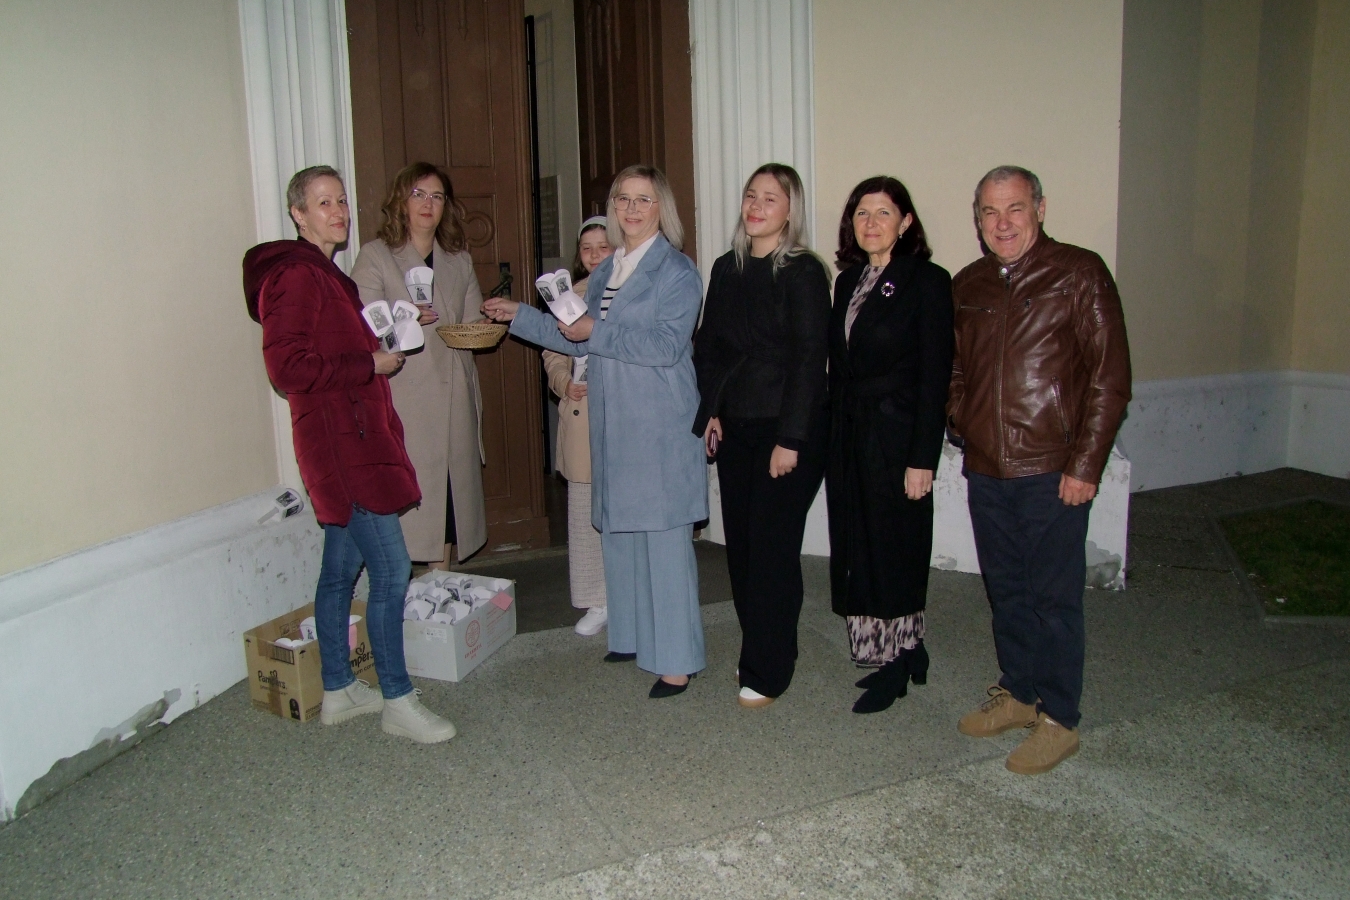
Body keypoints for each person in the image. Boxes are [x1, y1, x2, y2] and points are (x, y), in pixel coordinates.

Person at [243, 165, 456, 743]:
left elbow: (327, 351)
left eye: (340, 201)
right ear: (298, 214)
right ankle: (399, 701)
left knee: (340, 571)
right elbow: (287, 368)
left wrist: (382, 342)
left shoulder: (325, 275)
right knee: (390, 569)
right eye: (322, 203)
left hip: (352, 439)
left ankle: (337, 688)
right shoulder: (295, 275)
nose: (337, 211)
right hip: (342, 446)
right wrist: (370, 362)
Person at [483, 165, 707, 699]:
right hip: (614, 419)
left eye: (644, 199)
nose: (631, 209)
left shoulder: (677, 271)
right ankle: (629, 635)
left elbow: (665, 346)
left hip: (658, 422)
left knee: (663, 542)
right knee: (621, 535)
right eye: (623, 199)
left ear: (661, 208)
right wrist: (519, 315)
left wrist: (595, 330)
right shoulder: (609, 269)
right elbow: (577, 337)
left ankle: (677, 660)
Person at [949, 165, 1131, 774]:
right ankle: (1020, 693)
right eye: (989, 211)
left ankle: (1060, 718)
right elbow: (954, 370)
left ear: (1040, 209)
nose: (1002, 223)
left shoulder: (1080, 273)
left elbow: (1110, 379)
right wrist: (964, 419)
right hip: (986, 469)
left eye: (1015, 208)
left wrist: (1085, 464)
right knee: (1006, 591)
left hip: (1053, 469)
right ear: (977, 218)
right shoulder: (968, 283)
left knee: (1054, 599)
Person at [693, 163, 830, 709]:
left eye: (771, 198)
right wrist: (712, 409)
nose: (756, 206)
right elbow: (709, 345)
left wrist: (790, 439)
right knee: (743, 550)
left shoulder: (803, 272)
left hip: (788, 427)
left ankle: (768, 669)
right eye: (751, 195)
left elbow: (809, 360)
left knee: (772, 550)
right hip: (738, 424)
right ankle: (763, 642)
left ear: (790, 210)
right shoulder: (726, 267)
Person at [826, 176, 953, 714]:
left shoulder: (927, 281)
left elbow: (934, 376)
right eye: (862, 213)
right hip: (850, 435)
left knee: (895, 546)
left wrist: (923, 457)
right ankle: (898, 651)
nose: (871, 222)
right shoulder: (847, 281)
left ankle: (897, 661)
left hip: (898, 437)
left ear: (906, 222)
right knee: (860, 545)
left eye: (883, 212)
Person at [350, 162, 488, 567]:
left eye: (437, 196)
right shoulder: (376, 256)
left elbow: (470, 321)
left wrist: (487, 321)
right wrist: (403, 318)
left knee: (449, 504)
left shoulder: (458, 260)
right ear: (401, 201)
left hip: (454, 392)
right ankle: (401, 588)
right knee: (410, 501)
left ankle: (440, 584)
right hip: (405, 396)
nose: (428, 204)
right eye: (418, 194)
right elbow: (361, 327)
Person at [542, 216, 614, 635]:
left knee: (625, 510)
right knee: (585, 513)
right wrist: (563, 382)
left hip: (624, 417)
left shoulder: (632, 290)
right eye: (587, 248)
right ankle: (595, 600)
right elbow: (552, 352)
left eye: (603, 246)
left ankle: (628, 593)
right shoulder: (566, 296)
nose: (594, 254)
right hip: (582, 414)